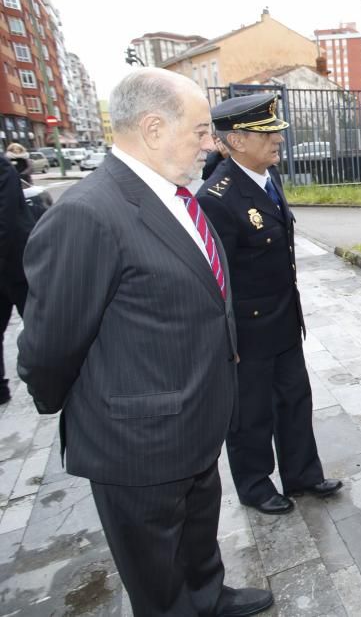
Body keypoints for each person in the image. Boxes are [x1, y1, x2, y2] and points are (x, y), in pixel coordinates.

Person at [17, 68, 272, 616]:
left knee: (197, 535)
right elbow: (48, 347)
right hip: (138, 440)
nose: (212, 143)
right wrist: (88, 413)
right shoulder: (88, 213)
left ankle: (208, 595)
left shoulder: (176, 195)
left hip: (195, 420)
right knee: (156, 577)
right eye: (202, 131)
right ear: (154, 128)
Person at [198, 93, 342, 515]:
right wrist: (229, 340)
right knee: (251, 413)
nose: (279, 137)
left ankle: (302, 473)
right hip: (248, 330)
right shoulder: (217, 197)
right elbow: (215, 282)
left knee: (295, 399)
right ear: (237, 140)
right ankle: (255, 484)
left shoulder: (266, 177)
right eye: (267, 132)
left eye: (277, 129)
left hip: (282, 320)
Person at [0, 148, 32, 406]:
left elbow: (7, 220)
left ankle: (44, 378)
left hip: (15, 264)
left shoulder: (3, 168)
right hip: (11, 264)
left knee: (37, 324)